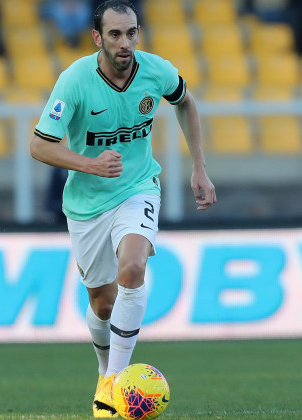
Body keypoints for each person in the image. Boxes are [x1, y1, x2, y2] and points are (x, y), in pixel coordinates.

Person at [29, 1, 216, 417]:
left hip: (138, 187)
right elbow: (39, 144)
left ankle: (113, 385)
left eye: (131, 33)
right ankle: (104, 372)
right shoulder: (75, 80)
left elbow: (185, 102)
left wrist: (199, 168)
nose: (125, 42)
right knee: (102, 303)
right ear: (98, 38)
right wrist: (89, 164)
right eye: (115, 34)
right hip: (86, 203)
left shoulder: (156, 71)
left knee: (132, 267)